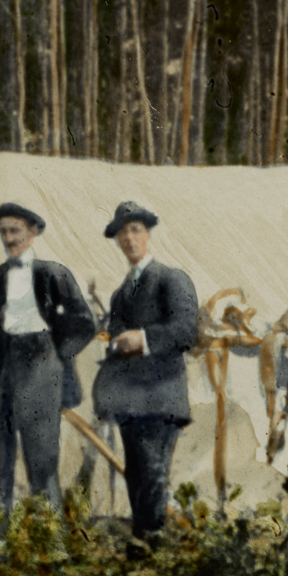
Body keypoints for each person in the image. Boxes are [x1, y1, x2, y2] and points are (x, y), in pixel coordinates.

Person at [0, 201, 96, 515]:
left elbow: (84, 323)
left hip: (40, 376)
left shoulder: (53, 273)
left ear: (32, 232)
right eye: (4, 231)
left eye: (16, 230)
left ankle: (49, 545)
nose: (10, 237)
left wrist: (55, 353)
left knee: (42, 466)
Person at [91, 200, 199, 541]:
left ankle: (151, 544)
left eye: (135, 230)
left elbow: (186, 332)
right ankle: (142, 546)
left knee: (152, 474)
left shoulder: (172, 279)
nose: (129, 239)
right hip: (129, 402)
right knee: (136, 474)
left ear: (147, 234)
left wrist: (144, 339)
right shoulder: (121, 294)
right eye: (122, 234)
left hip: (161, 398)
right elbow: (116, 341)